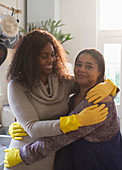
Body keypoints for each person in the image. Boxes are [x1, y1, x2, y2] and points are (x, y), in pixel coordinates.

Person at [4, 30, 116, 170]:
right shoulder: (17, 86)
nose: (51, 60)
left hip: (51, 157)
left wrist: (110, 86)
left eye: (52, 55)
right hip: (24, 158)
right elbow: (33, 129)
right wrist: (76, 121)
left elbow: (89, 82)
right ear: (30, 58)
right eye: (44, 56)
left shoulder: (62, 80)